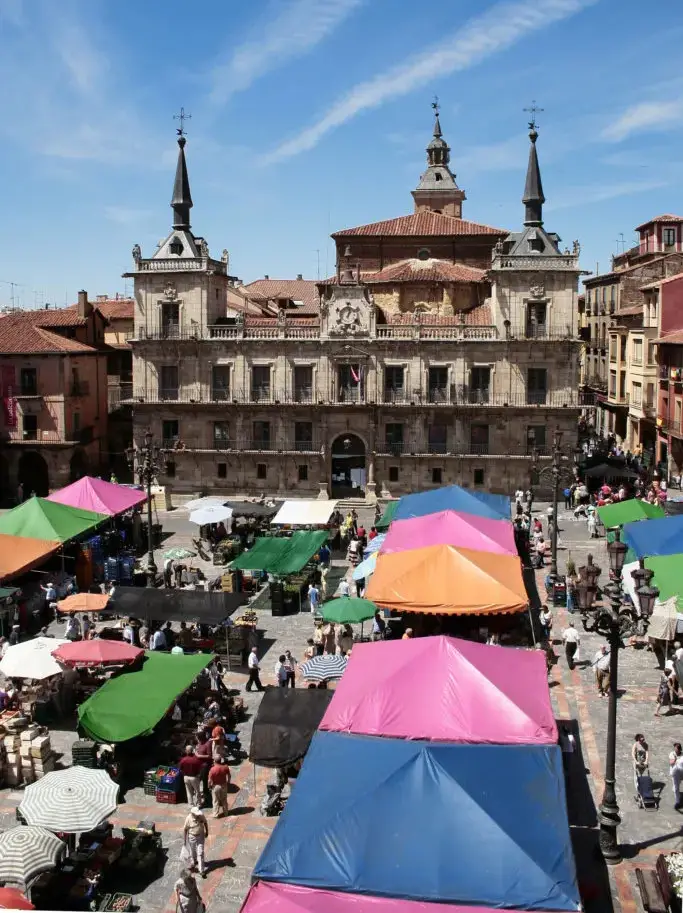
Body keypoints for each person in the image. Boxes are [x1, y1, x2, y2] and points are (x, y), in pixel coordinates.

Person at [183, 807, 209, 877]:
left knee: (200, 852)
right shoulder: (188, 818)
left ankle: (201, 870)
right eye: (196, 814)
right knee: (193, 851)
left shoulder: (201, 815)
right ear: (192, 814)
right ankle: (194, 861)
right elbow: (185, 829)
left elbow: (205, 822)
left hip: (200, 836)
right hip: (192, 836)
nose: (198, 815)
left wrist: (207, 831)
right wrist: (185, 840)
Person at [670, 743, 683, 809]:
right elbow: (671, 763)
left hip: (682, 771)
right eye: (674, 748)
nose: (675, 749)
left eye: (676, 748)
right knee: (676, 787)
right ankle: (677, 802)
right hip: (675, 772)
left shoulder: (682, 755)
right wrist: (675, 759)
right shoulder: (672, 754)